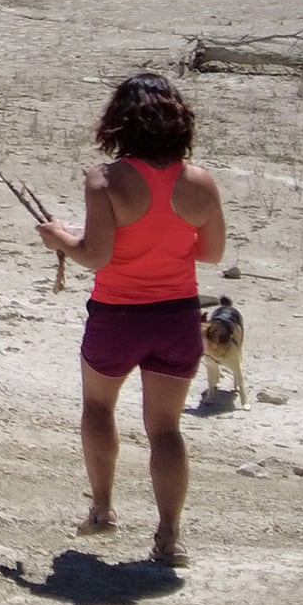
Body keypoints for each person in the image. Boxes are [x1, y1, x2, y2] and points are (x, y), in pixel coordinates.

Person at [32, 71, 228, 569]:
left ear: (120, 122)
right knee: (166, 430)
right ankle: (169, 537)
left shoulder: (106, 180)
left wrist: (58, 239)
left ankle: (102, 509)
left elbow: (95, 256)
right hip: (176, 317)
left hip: (118, 315)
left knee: (98, 408)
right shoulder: (200, 182)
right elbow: (211, 252)